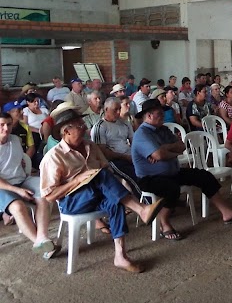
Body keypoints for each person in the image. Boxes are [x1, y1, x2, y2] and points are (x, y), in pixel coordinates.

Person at [39, 108, 166, 272]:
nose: (84, 127)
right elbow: (49, 196)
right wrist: (78, 180)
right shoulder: (53, 157)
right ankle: (141, 209)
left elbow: (107, 170)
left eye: (83, 123)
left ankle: (120, 256)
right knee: (101, 177)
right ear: (66, 131)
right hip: (72, 202)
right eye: (79, 125)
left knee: (114, 199)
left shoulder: (90, 146)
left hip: (96, 194)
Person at [131, 100, 232, 240]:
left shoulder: (163, 129)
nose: (163, 115)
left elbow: (181, 146)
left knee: (203, 176)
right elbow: (159, 155)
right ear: (149, 116)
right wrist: (166, 151)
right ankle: (164, 224)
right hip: (149, 178)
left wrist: (166, 150)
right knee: (171, 189)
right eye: (159, 113)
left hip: (172, 173)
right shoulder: (142, 134)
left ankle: (227, 213)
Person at [0, 113, 60, 259]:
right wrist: (17, 190)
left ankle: (43, 238)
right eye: (1, 125)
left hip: (22, 179)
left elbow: (20, 160)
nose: (6, 128)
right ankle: (41, 243)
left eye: (8, 124)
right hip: (4, 186)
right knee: (18, 207)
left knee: (45, 192)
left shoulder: (15, 140)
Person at [92, 98, 142, 199]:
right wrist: (126, 157)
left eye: (119, 109)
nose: (119, 112)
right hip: (113, 160)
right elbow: (103, 152)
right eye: (115, 110)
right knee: (134, 176)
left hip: (129, 155)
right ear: (106, 109)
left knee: (149, 169)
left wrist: (136, 155)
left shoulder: (124, 123)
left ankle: (158, 197)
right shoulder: (100, 127)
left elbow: (134, 142)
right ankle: (146, 202)